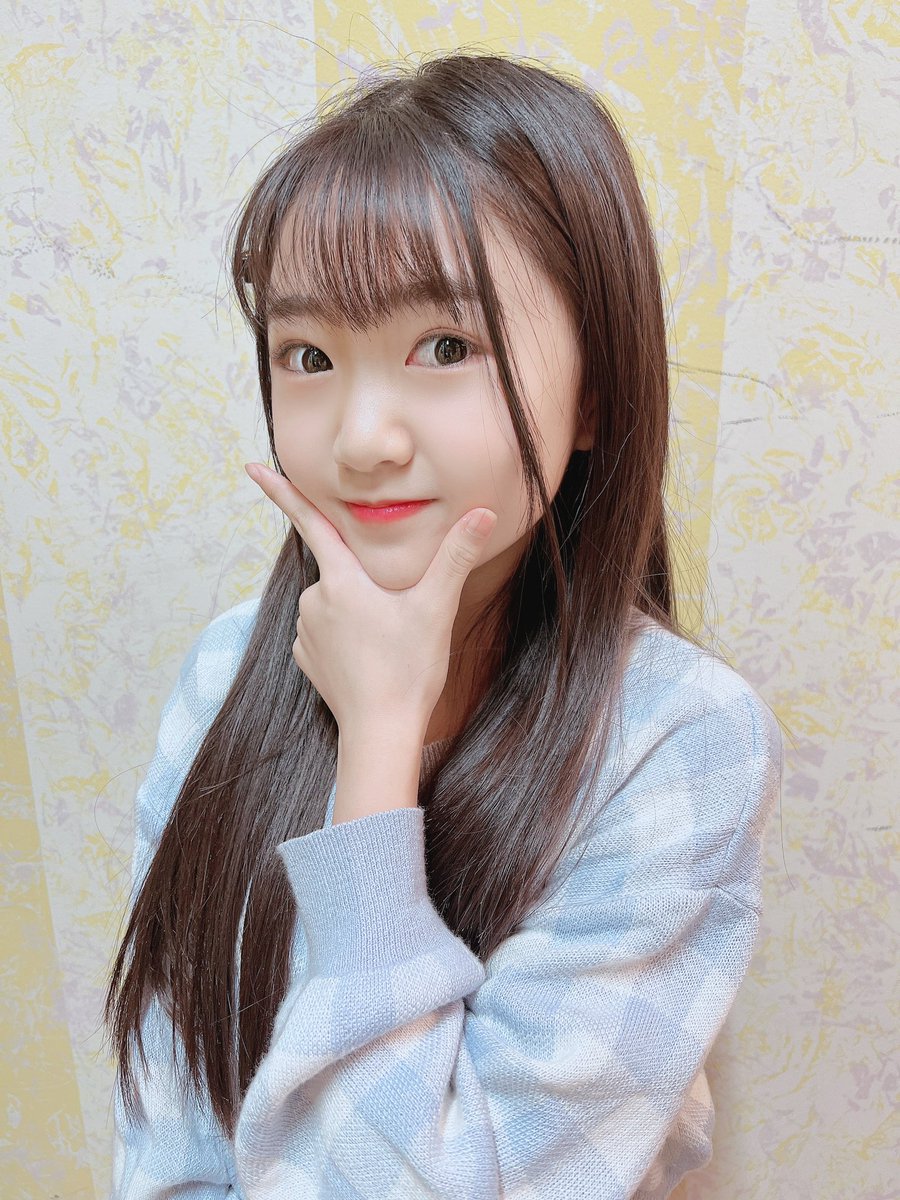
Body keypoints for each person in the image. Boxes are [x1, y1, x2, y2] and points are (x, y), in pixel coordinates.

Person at [104, 49, 783, 1199]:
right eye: (309, 356)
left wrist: (378, 743)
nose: (362, 437)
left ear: (596, 393)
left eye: (447, 348)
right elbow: (168, 1148)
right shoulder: (226, 672)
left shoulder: (680, 736)